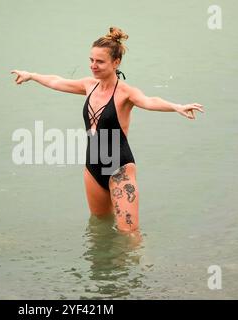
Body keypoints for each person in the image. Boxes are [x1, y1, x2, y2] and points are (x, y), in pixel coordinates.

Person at [11, 27, 204, 234]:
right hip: (92, 168)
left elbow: (149, 101)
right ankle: (102, 266)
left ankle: (139, 266)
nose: (93, 66)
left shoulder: (125, 93)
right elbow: (57, 81)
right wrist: (31, 75)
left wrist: (176, 107)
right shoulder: (88, 85)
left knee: (129, 234)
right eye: (91, 60)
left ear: (116, 62)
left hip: (119, 169)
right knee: (99, 227)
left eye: (100, 62)